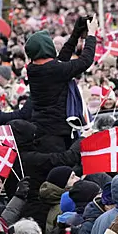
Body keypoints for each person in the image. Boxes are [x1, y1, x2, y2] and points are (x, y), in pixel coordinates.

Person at [24, 15, 97, 147]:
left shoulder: (34, 68)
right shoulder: (54, 70)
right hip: (56, 134)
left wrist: (76, 33)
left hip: (43, 129)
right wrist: (91, 35)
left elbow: (61, 60)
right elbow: (85, 61)